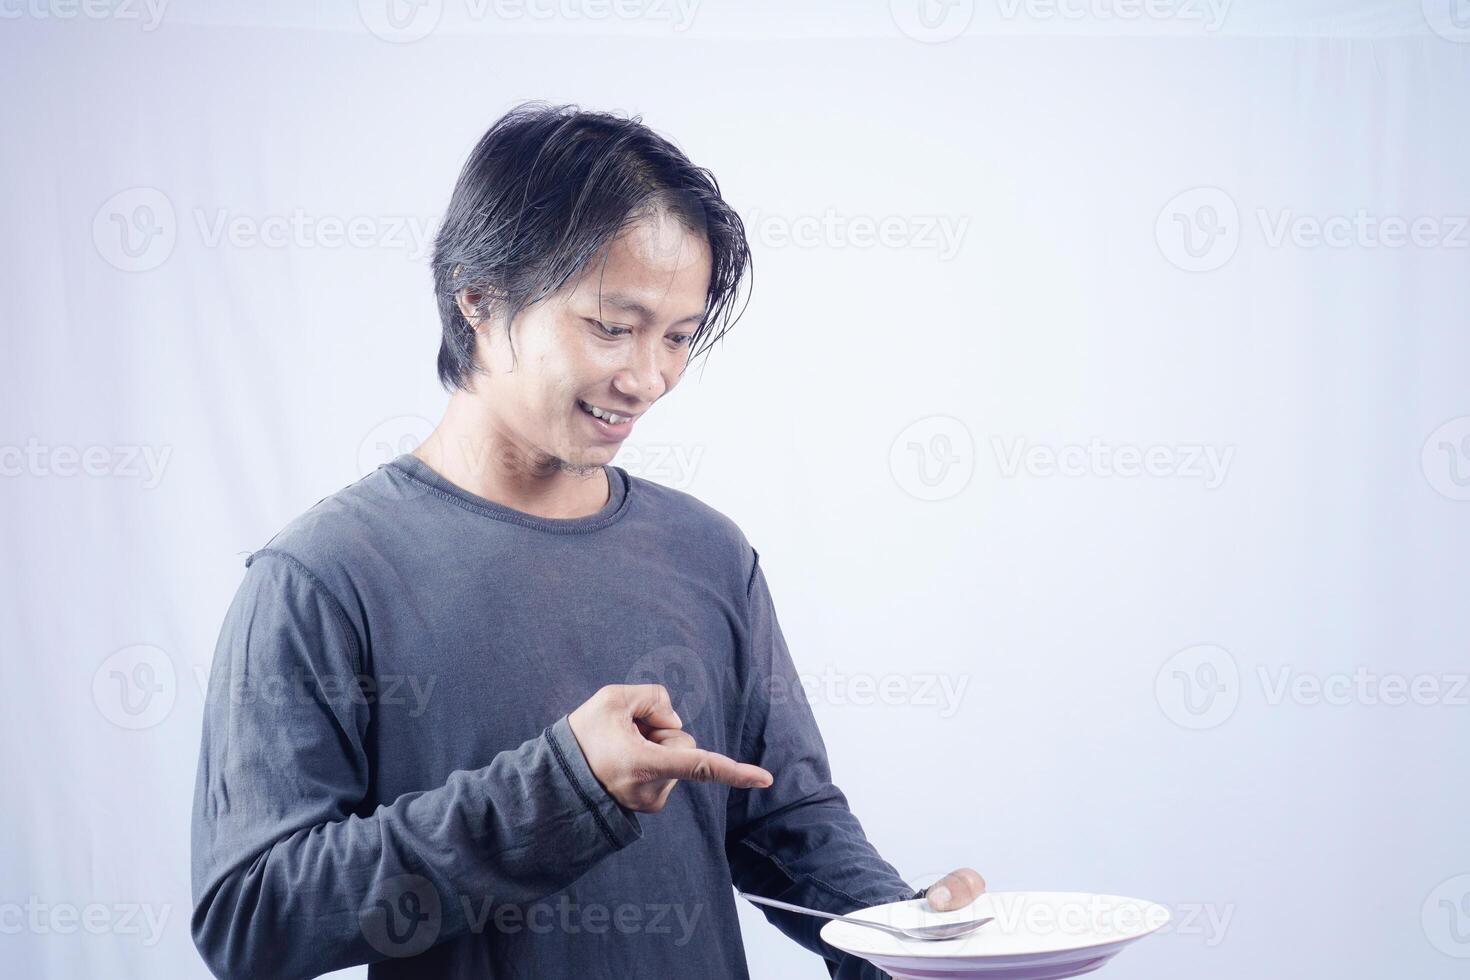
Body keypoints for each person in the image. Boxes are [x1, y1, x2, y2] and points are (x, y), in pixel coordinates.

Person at [189, 101, 985, 980]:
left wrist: (911, 945)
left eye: (679, 337)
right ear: (481, 300)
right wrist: (559, 790)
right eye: (612, 327)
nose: (648, 377)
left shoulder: (709, 551)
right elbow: (252, 918)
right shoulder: (323, 576)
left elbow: (780, 819)